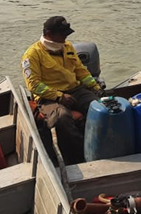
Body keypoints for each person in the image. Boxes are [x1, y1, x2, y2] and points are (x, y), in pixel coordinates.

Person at [21, 16, 102, 164]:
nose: (65, 38)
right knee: (61, 119)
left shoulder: (67, 47)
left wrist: (95, 87)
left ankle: (99, 147)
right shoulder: (32, 55)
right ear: (50, 34)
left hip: (75, 90)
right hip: (49, 98)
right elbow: (34, 85)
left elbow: (81, 71)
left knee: (99, 107)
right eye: (62, 35)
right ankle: (77, 158)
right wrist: (59, 96)